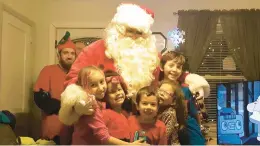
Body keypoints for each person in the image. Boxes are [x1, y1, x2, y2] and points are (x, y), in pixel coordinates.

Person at [59, 66, 143, 145]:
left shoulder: (99, 103)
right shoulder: (90, 106)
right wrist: (129, 145)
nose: (100, 87)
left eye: (102, 82)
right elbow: (103, 136)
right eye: (93, 85)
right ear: (83, 86)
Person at [33, 31, 76, 144]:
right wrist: (65, 107)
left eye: (72, 53)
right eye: (65, 53)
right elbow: (40, 98)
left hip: (75, 131)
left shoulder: (78, 74)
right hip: (53, 130)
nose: (69, 56)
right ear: (59, 55)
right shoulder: (48, 70)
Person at [159, 51, 206, 145]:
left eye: (178, 67)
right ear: (161, 67)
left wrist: (200, 127)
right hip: (167, 134)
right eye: (171, 65)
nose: (175, 69)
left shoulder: (185, 90)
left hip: (189, 133)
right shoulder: (157, 88)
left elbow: (194, 113)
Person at [156, 80, 188, 145]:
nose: (161, 93)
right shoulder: (157, 108)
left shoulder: (170, 112)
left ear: (174, 101)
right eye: (160, 90)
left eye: (166, 93)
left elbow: (165, 136)